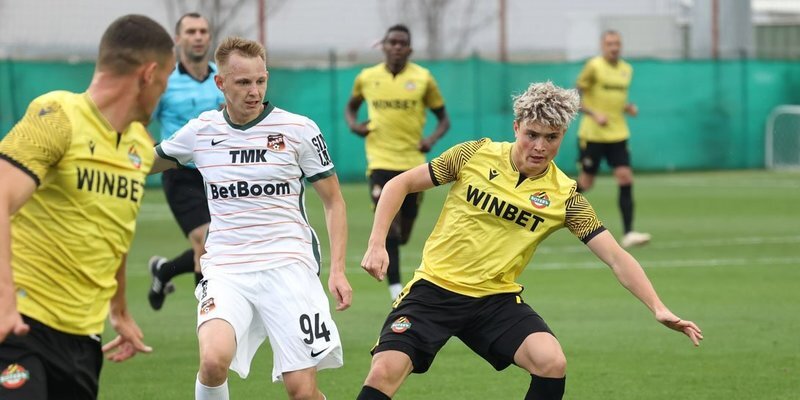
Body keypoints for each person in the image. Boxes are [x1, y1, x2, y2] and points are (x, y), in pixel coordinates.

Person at [357, 81, 703, 400]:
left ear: (563, 135)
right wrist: (376, 243)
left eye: (551, 137)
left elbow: (616, 256)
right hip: (434, 289)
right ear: (516, 128)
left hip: (493, 299)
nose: (540, 146)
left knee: (551, 361)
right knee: (384, 372)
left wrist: (658, 307)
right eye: (532, 134)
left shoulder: (566, 197)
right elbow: (399, 184)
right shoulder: (473, 155)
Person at [150, 36, 352, 400]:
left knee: (302, 391)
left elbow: (334, 201)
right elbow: (140, 164)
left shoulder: (299, 130)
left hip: (288, 266)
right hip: (226, 268)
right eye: (243, 82)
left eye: (260, 80)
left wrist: (337, 269)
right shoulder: (201, 131)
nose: (254, 91)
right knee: (213, 361)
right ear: (220, 82)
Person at [0, 15, 174, 400]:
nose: (162, 94)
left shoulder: (139, 146)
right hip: (20, 325)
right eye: (164, 81)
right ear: (148, 74)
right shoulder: (57, 115)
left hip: (83, 339)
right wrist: (4, 300)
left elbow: (114, 228)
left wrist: (120, 310)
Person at [345, 24, 451, 300]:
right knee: (388, 226)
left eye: (402, 43)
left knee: (402, 233)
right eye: (391, 42)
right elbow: (351, 107)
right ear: (383, 46)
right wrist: (354, 125)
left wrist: (431, 140)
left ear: (410, 49)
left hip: (412, 164)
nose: (396, 47)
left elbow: (444, 120)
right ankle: (396, 291)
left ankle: (397, 249)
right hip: (380, 162)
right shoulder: (367, 77)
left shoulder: (423, 79)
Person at [147, 12, 225, 311]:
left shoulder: (222, 78)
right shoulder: (166, 82)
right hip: (179, 172)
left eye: (203, 31)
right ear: (178, 39)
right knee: (206, 243)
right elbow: (140, 121)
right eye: (191, 31)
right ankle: (210, 319)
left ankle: (164, 271)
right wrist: (147, 154)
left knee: (217, 245)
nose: (198, 37)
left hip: (218, 173)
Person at [575, 30, 651, 248]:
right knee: (586, 183)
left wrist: (627, 107)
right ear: (602, 45)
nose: (614, 47)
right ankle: (548, 205)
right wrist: (594, 114)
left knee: (625, 178)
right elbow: (575, 98)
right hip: (593, 134)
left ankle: (628, 233)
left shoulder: (627, 69)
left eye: (617, 43)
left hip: (618, 133)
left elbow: (614, 100)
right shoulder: (593, 66)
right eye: (609, 43)